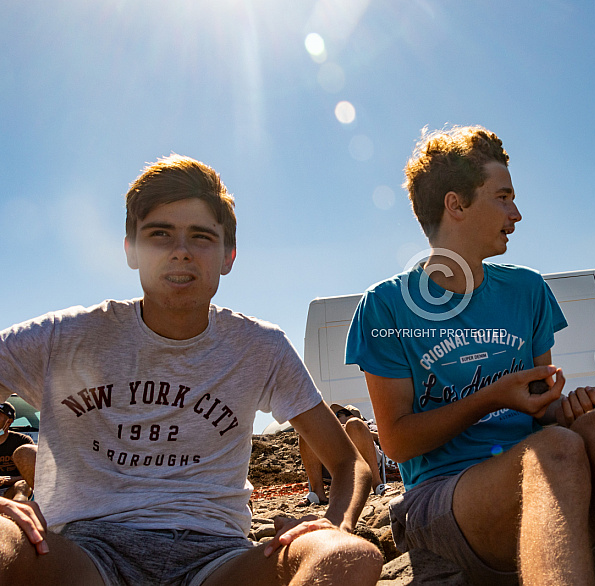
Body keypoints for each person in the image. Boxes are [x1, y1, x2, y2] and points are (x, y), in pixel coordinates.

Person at [345, 125, 595, 585]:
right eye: (503, 197)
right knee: (557, 449)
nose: (516, 213)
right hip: (443, 499)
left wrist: (567, 407)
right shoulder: (386, 305)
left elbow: (542, 411)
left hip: (546, 476)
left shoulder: (528, 290)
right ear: (455, 204)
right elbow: (398, 443)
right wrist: (494, 397)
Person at [0, 155, 382, 586]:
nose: (180, 251)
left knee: (348, 555)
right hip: (83, 555)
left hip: (216, 559)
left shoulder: (260, 346)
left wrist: (335, 523)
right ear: (131, 250)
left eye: (200, 236)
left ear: (228, 256)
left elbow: (349, 462)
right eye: (159, 234)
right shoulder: (63, 336)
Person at [299, 403, 386, 505]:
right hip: (332, 465)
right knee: (309, 430)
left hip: (365, 463)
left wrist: (345, 430)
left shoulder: (367, 425)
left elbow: (382, 437)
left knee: (354, 425)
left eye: (338, 415)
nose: (334, 418)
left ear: (350, 416)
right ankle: (317, 492)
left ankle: (377, 484)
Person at [0, 401, 35, 501]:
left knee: (24, 485)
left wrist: (7, 480)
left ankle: (17, 513)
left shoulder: (23, 442)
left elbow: (33, 477)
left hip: (11, 490)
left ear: (9, 421)